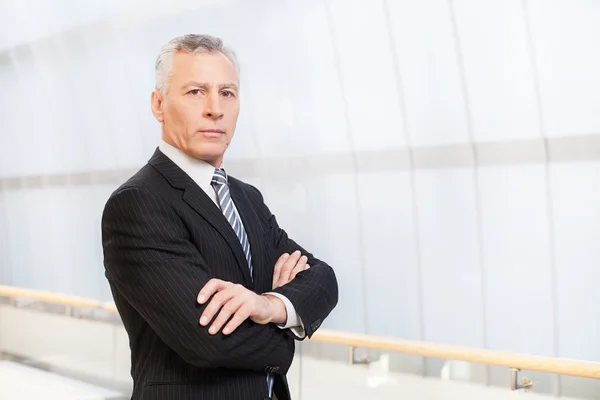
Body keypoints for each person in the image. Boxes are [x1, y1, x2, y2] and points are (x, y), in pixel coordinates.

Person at [101, 34, 338, 400]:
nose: (215, 108)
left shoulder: (246, 198)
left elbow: (323, 278)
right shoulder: (137, 204)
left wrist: (270, 305)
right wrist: (290, 330)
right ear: (158, 104)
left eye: (227, 92)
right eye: (196, 92)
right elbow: (210, 343)